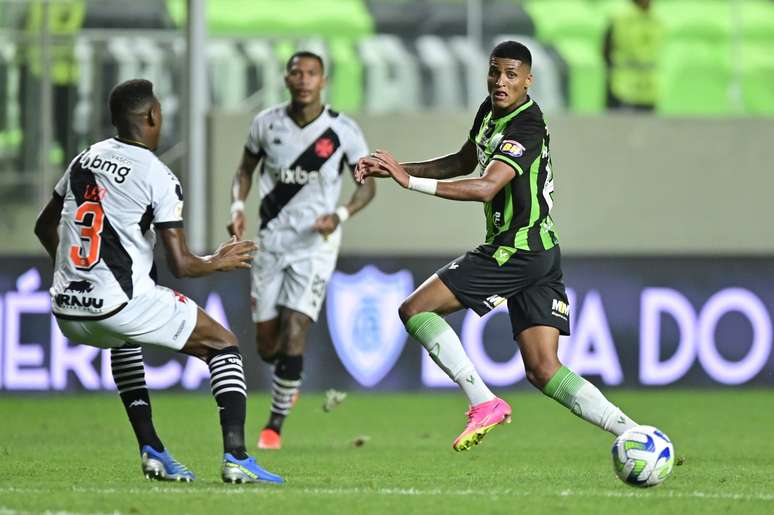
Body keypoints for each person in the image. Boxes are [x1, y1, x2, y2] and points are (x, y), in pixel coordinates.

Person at [356, 41, 639, 452]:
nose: (500, 82)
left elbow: (487, 187)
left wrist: (409, 182)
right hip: (541, 252)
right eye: (494, 72)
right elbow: (462, 161)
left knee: (414, 309)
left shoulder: (527, 125)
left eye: (511, 75)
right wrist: (398, 169)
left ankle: (484, 402)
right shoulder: (490, 111)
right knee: (543, 369)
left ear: (528, 80)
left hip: (516, 250)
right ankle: (634, 433)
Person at [33, 78, 283, 484]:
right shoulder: (157, 174)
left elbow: (44, 226)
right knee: (224, 345)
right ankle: (236, 456)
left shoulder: (85, 159)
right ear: (152, 116)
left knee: (123, 340)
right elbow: (181, 265)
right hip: (117, 303)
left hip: (66, 309)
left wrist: (73, 274)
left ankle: (152, 450)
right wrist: (217, 261)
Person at [229, 51, 375, 450]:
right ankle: (287, 380)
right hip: (272, 243)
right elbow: (245, 170)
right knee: (266, 346)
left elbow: (367, 185)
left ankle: (274, 425)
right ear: (287, 79)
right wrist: (238, 207)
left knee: (297, 327)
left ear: (323, 80)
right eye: (297, 72)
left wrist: (340, 214)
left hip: (316, 245)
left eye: (311, 73)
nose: (304, 79)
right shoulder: (267, 124)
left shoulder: (342, 131)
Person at [602, 0, 663, 111]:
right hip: (623, 90)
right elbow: (605, 50)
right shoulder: (619, 17)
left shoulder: (657, 18)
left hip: (649, 90)